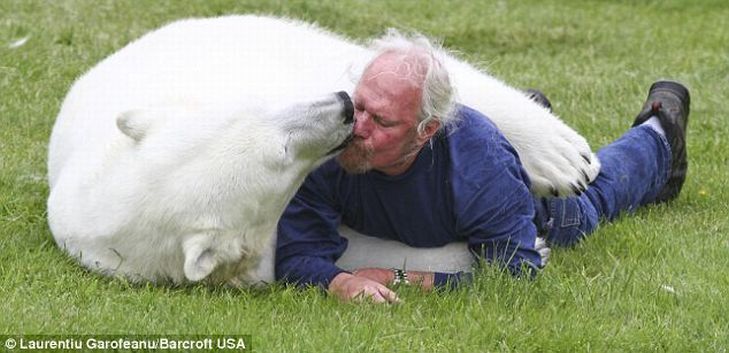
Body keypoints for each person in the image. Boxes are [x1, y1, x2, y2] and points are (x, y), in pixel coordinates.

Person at [275, 32, 690, 303]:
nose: (358, 128)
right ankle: (531, 112)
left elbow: (514, 278)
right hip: (488, 170)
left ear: (426, 131)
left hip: (534, 207)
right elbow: (295, 253)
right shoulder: (334, 139)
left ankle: (660, 134)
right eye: (360, 105)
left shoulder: (476, 166)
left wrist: (397, 276)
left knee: (594, 200)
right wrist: (340, 282)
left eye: (382, 121)